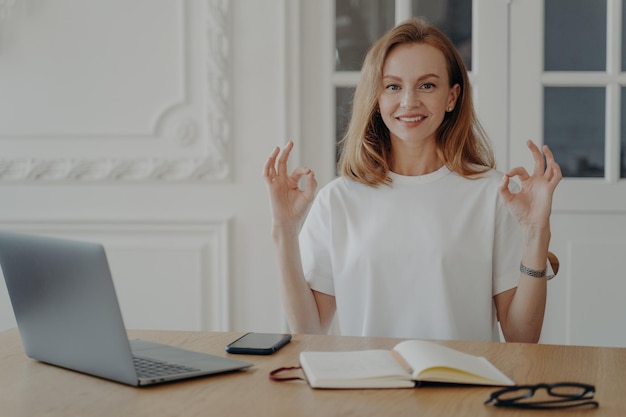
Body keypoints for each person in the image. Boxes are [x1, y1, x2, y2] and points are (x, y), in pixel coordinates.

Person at [262, 17, 562, 343]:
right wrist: (285, 229)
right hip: (367, 388)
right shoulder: (338, 200)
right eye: (393, 86)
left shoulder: (493, 194)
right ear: (376, 98)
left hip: (461, 389)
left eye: (427, 85)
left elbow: (522, 336)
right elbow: (309, 330)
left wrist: (535, 233)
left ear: (452, 96)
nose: (409, 101)